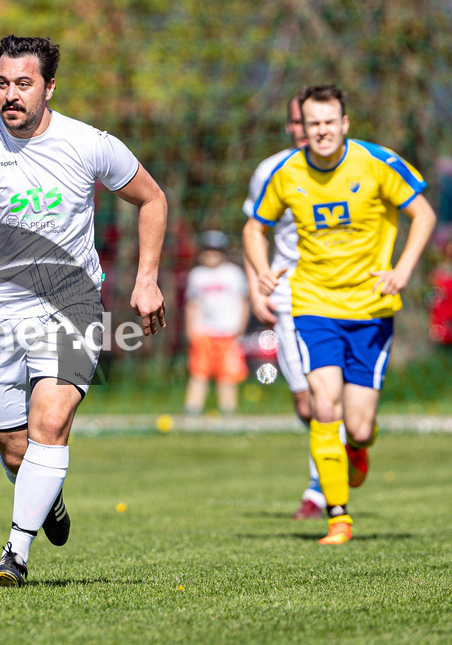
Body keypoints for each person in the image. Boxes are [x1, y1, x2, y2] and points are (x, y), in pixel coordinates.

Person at [0, 35, 167, 587]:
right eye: (2, 83)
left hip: (72, 303)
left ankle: (14, 555)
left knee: (51, 422)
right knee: (16, 452)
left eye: (23, 84)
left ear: (49, 86)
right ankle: (47, 498)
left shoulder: (88, 144)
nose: (10, 95)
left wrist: (147, 278)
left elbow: (152, 199)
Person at [243, 84, 436, 545]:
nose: (323, 131)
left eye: (330, 122)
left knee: (361, 427)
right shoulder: (286, 173)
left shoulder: (377, 162)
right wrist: (260, 270)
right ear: (302, 129)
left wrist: (403, 270)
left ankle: (357, 450)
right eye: (313, 124)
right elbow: (254, 226)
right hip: (313, 306)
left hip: (371, 308)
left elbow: (423, 214)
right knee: (322, 403)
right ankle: (337, 516)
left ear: (344, 124)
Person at [242, 93, 331, 520]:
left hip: (338, 294)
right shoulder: (271, 171)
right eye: (296, 121)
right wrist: (255, 286)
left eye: (310, 121)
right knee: (306, 404)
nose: (303, 129)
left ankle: (319, 489)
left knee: (328, 395)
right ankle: (337, 446)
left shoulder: (350, 165)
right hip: (289, 294)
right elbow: (254, 231)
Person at [183, 230, 249, 416]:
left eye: (215, 251)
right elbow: (192, 304)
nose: (211, 255)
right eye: (207, 251)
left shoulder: (234, 274)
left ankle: (228, 409)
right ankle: (192, 408)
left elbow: (243, 302)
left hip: (229, 332)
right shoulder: (197, 275)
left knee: (228, 374)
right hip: (203, 331)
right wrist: (190, 329)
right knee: (198, 372)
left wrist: (241, 329)